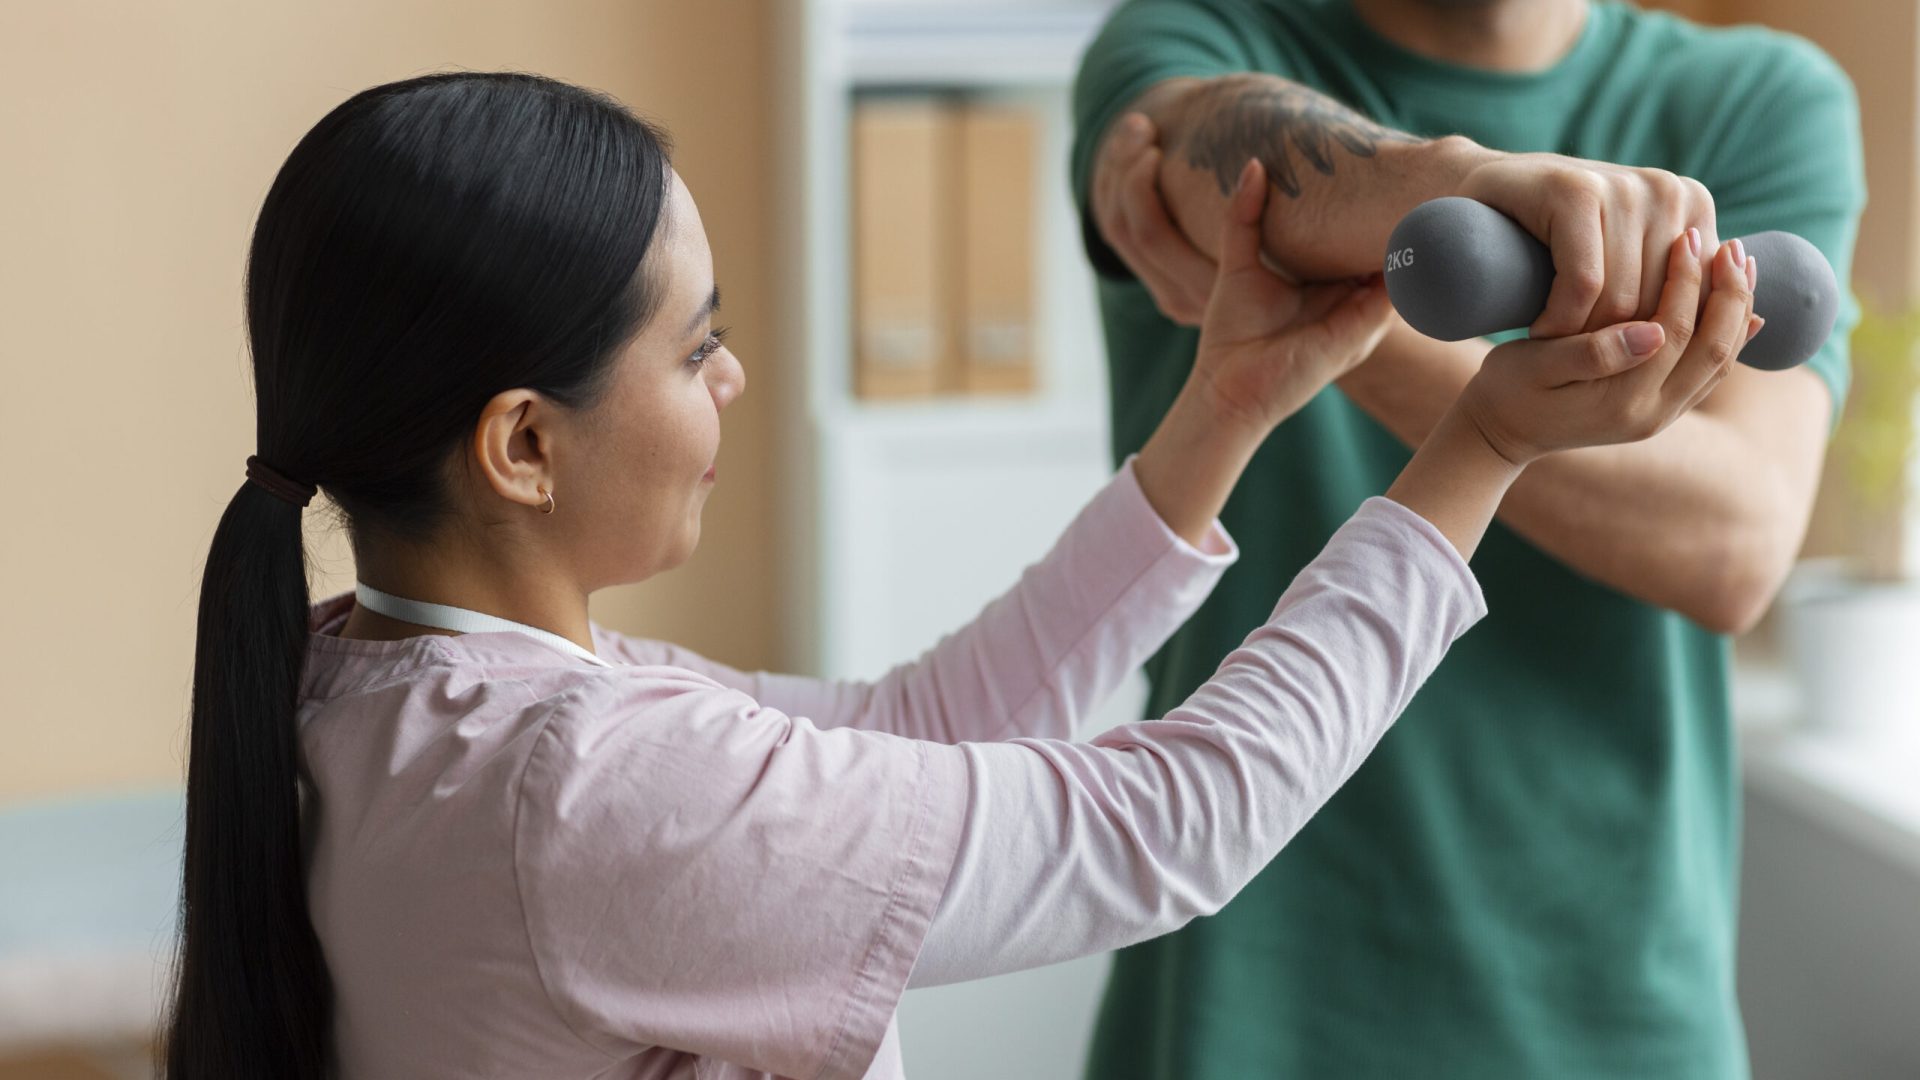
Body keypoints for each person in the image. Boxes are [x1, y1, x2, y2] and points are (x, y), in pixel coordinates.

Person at [164, 71, 1756, 1079]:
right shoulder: (583, 791)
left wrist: (1219, 413)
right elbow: (1166, 825)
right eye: (697, 344)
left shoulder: (375, 692)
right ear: (521, 446)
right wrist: (1477, 455)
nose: (729, 382)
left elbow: (921, 725)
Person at [1070, 0, 1865, 1076]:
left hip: (1613, 1022)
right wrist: (1466, 191)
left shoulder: (1757, 97)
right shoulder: (1193, 33)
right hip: (1245, 1012)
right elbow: (1201, 159)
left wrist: (1316, 308)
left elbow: (1731, 544)